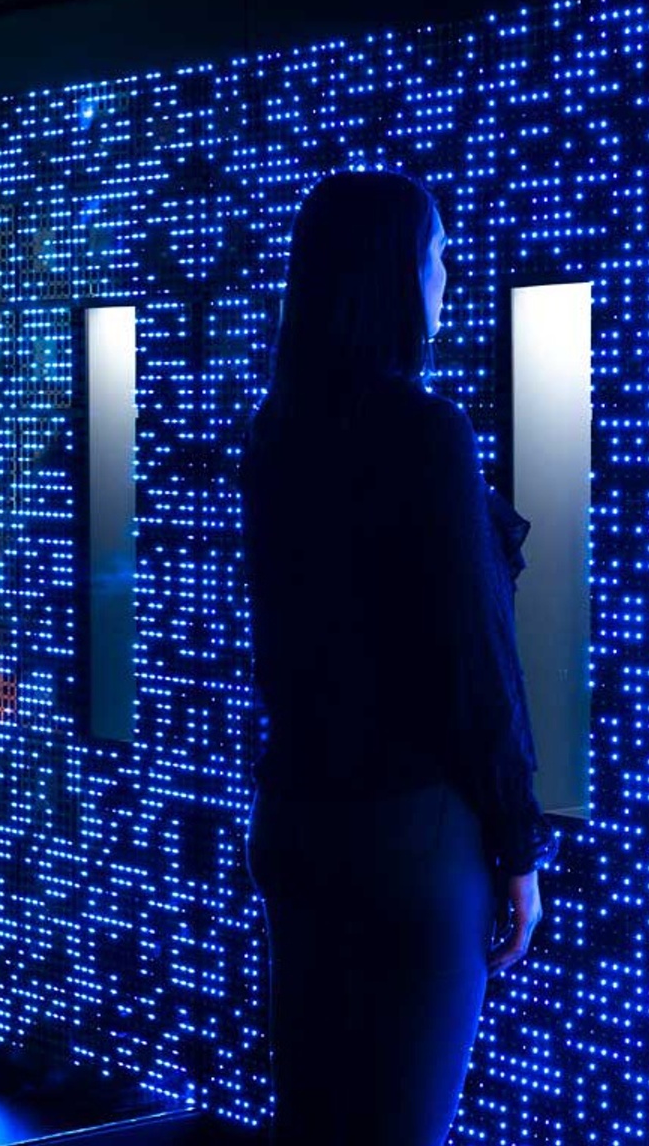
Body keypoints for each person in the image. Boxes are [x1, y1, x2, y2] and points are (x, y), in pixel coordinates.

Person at [238, 169, 559, 1146]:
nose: (451, 275)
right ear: (393, 275)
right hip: (410, 843)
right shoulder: (425, 434)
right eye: (440, 256)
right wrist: (519, 846)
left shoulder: (276, 435)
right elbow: (476, 668)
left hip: (297, 824)